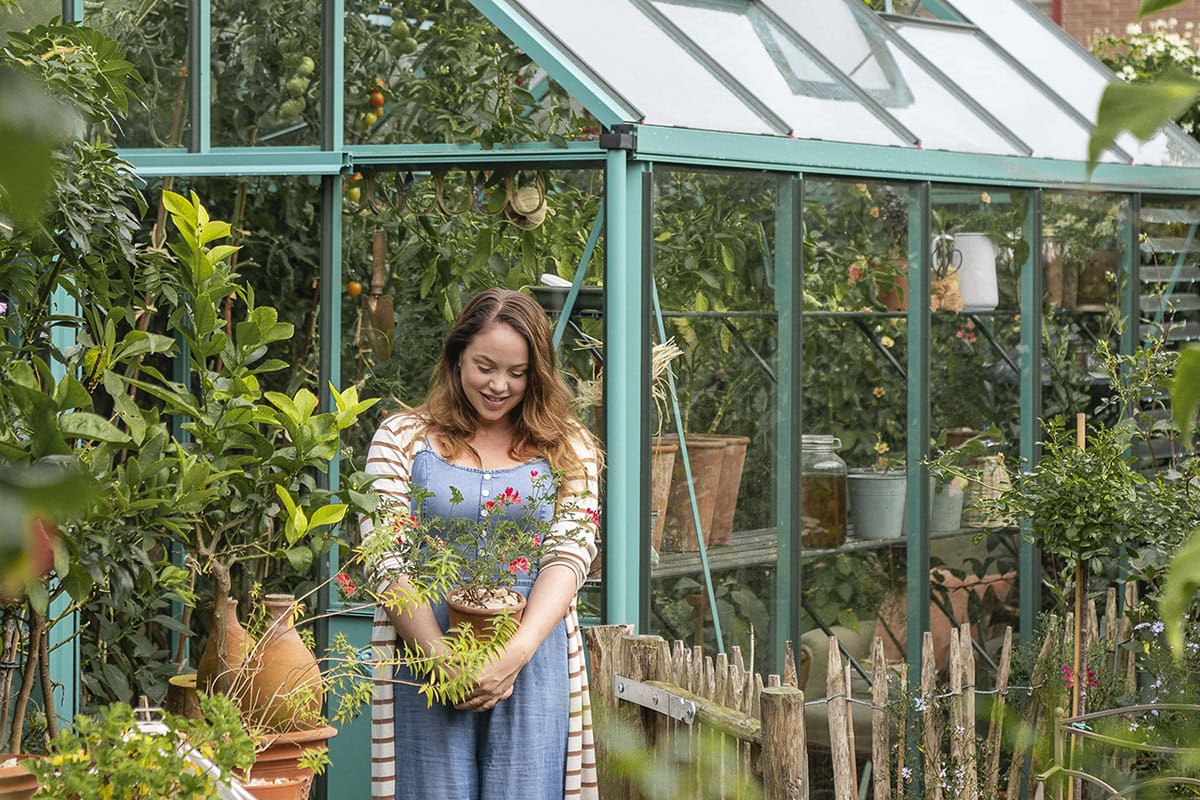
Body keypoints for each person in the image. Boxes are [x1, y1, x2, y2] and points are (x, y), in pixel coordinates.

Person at [360, 288, 601, 800]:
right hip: (421, 651)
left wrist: (514, 654)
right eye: (485, 366)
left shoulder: (569, 445)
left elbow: (570, 554)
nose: (499, 386)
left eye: (518, 373)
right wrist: (438, 657)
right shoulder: (400, 438)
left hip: (532, 655)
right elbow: (385, 556)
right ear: (456, 357)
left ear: (538, 373)